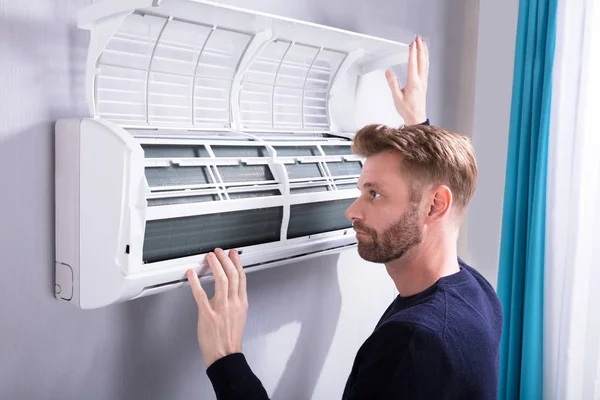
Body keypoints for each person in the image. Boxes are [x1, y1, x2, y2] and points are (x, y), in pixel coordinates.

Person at [185, 36, 503, 399]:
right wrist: (418, 126)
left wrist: (226, 358)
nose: (352, 211)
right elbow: (434, 202)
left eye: (375, 194)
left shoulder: (413, 343)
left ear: (434, 206)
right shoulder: (477, 295)